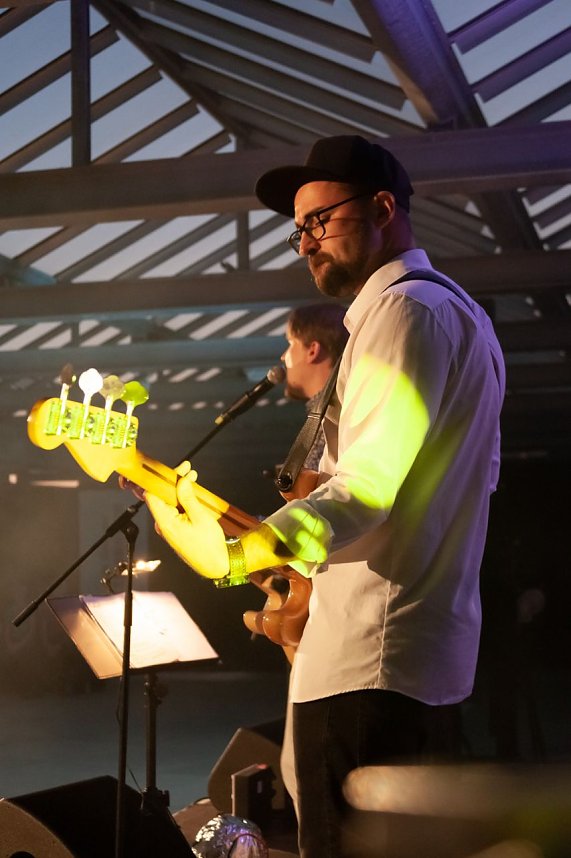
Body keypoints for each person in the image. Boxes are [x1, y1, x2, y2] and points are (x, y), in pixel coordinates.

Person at [144, 135, 506, 858]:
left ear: (381, 209)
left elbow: (365, 489)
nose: (305, 241)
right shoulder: (448, 313)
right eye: (298, 228)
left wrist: (242, 552)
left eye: (321, 220)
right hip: (406, 655)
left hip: (368, 658)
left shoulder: (405, 313)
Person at [281, 302, 349, 469]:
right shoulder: (341, 409)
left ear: (313, 350)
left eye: (291, 343)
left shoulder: (332, 421)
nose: (283, 357)